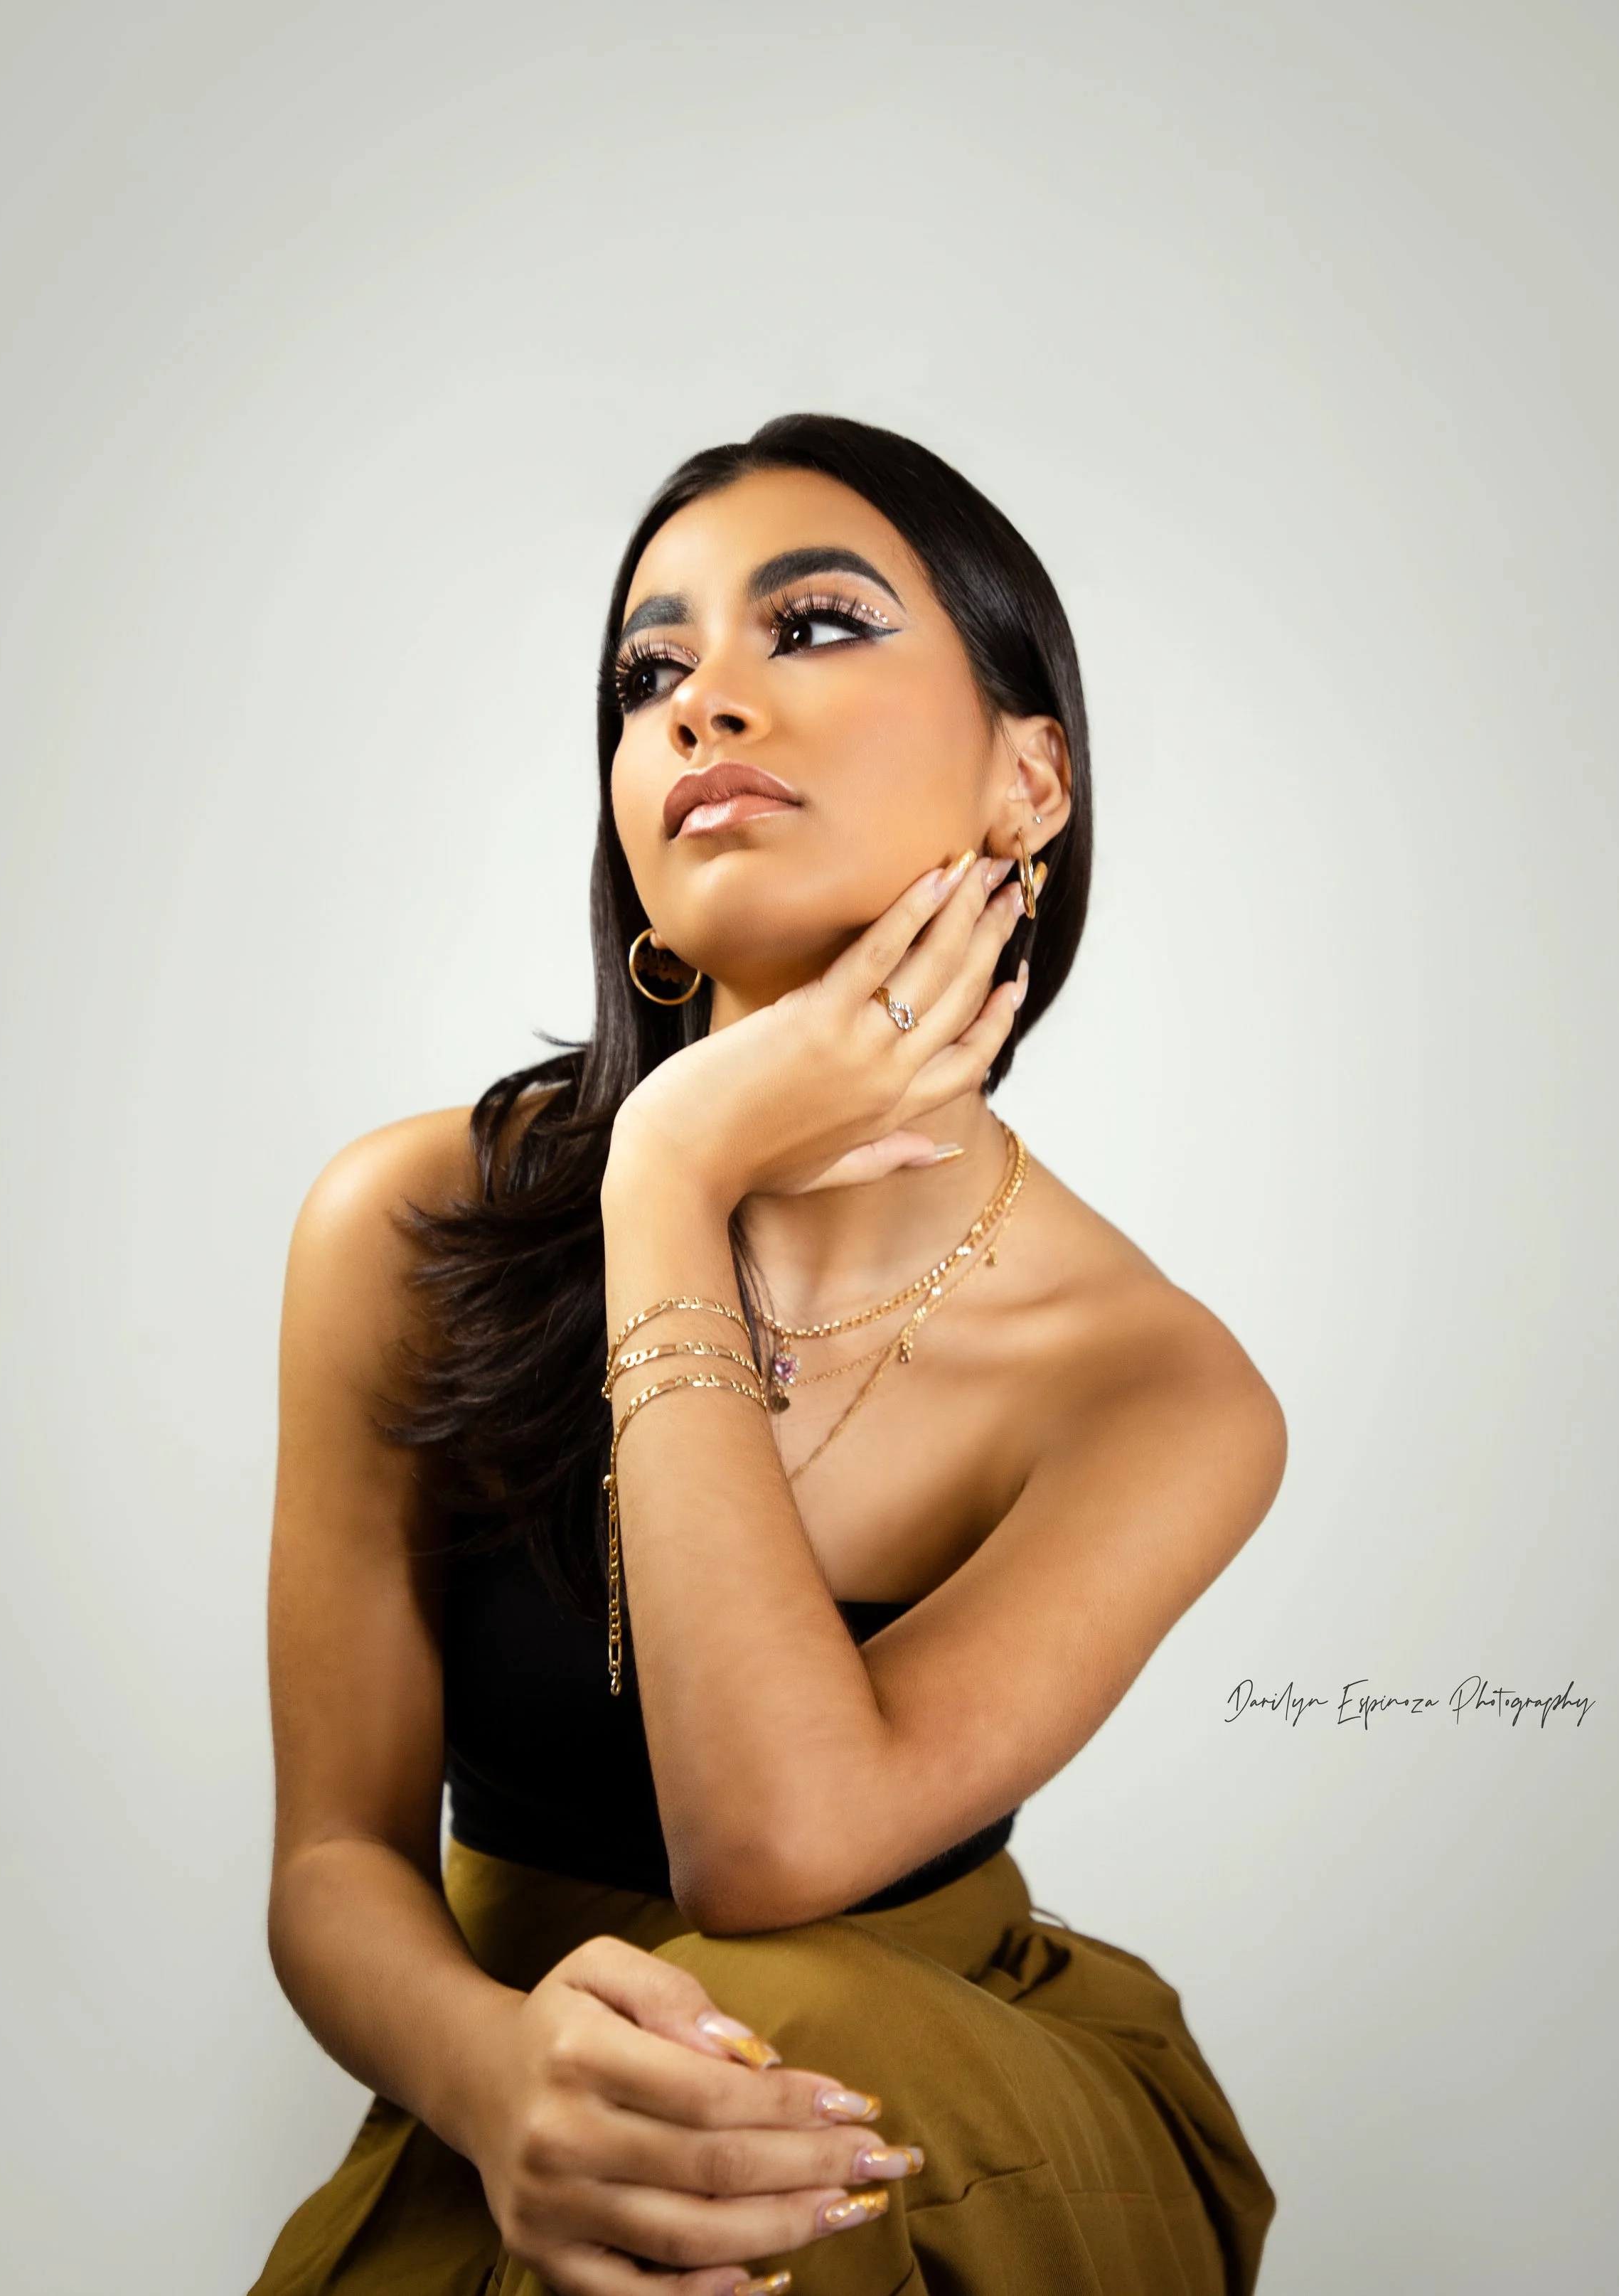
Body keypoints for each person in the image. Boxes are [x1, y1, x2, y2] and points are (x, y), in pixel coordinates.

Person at [250, 414, 1286, 2296]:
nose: (701, 701)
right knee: (674, 2100)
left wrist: (663, 1169)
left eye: (807, 628)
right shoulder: (397, 1226)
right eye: (649, 674)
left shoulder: (1151, 1388)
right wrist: (494, 2078)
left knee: (757, 2038)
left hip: (927, 2098)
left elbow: (769, 1849)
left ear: (1028, 777)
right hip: (538, 2086)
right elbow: (333, 1858)